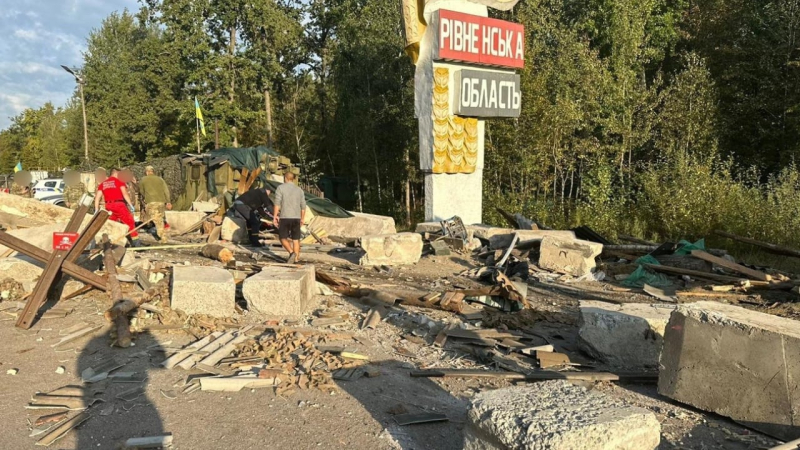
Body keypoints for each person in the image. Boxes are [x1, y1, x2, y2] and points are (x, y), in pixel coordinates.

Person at [95, 168, 142, 247]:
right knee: (129, 222)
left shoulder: (103, 184)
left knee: (112, 224)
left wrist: (96, 209)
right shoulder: (119, 182)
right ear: (116, 173)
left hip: (108, 206)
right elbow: (125, 194)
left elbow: (97, 198)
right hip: (119, 205)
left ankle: (110, 243)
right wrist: (130, 205)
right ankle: (137, 244)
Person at [273, 172, 306, 263]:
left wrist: (275, 216)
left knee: (282, 237)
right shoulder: (299, 190)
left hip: (285, 217)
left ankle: (292, 253)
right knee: (296, 239)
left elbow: (277, 204)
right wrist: (302, 218)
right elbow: (303, 206)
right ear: (293, 179)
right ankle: (296, 259)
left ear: (285, 178)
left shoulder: (280, 188)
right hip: (296, 217)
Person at [139, 166, 172, 243]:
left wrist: (145, 198)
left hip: (151, 202)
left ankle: (163, 238)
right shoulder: (160, 179)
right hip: (161, 202)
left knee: (157, 221)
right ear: (153, 171)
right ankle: (163, 234)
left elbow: (141, 191)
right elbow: (166, 190)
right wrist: (168, 201)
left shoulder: (143, 180)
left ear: (146, 172)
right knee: (160, 219)